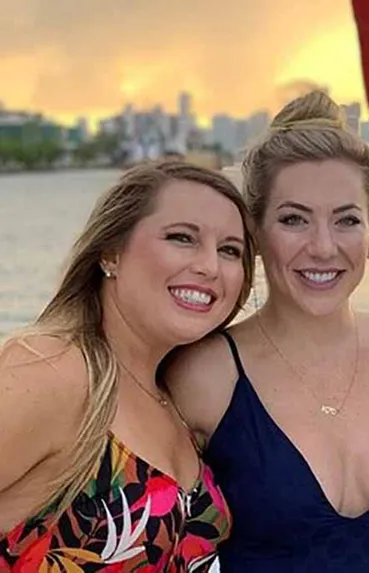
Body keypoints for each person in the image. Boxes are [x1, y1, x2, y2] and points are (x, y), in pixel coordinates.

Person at [161, 90, 369, 572]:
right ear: (256, 232)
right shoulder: (204, 375)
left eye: (347, 220)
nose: (323, 247)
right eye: (294, 220)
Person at [0, 160, 255, 571]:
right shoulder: (53, 372)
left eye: (230, 250)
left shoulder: (176, 399)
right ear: (111, 253)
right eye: (182, 238)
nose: (210, 266)